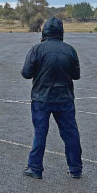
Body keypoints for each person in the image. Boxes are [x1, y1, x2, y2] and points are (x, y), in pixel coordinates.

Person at [21, 17, 82, 179]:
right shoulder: (69, 50)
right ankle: (75, 168)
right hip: (65, 98)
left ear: (44, 32)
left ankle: (35, 168)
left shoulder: (37, 49)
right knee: (70, 134)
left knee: (40, 134)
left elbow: (26, 73)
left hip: (42, 98)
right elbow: (76, 75)